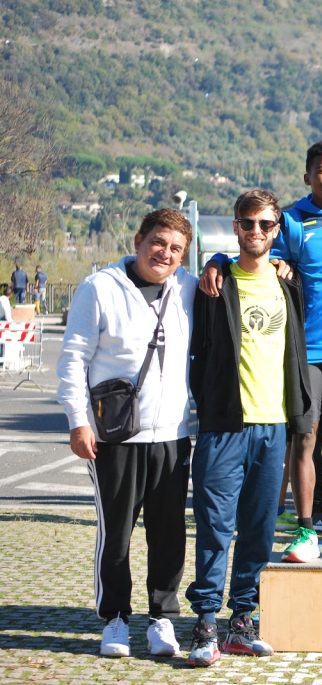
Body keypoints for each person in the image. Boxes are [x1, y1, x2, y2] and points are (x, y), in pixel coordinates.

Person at [201, 140, 322, 563]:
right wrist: (215, 260)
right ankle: (306, 531)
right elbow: (255, 252)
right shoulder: (291, 221)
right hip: (307, 350)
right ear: (307, 176)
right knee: (305, 439)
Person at [57, 209, 196, 658]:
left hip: (172, 434)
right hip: (113, 436)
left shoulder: (188, 289)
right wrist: (78, 420)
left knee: (169, 533)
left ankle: (162, 618)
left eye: (176, 249)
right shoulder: (99, 288)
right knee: (115, 533)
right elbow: (73, 358)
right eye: (158, 242)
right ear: (138, 240)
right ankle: (115, 618)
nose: (165, 254)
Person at [185, 190, 311, 667]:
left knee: (259, 530)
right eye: (247, 222)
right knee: (215, 528)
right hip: (224, 426)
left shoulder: (289, 284)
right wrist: (215, 261)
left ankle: (242, 620)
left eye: (264, 224)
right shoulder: (214, 284)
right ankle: (204, 623)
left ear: (276, 230)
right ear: (235, 227)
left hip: (274, 425)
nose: (255, 231)